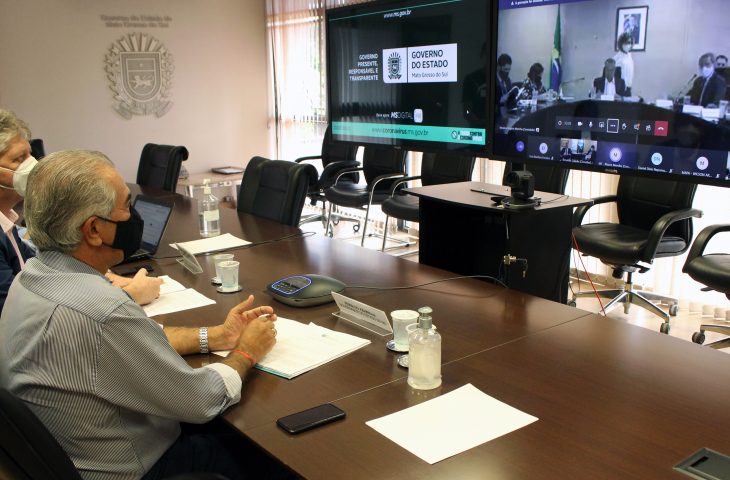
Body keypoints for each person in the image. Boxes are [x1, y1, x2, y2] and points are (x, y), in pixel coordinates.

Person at [0, 150, 278, 480]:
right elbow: (200, 401)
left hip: (73, 457)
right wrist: (245, 352)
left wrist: (215, 335)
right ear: (93, 230)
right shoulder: (102, 311)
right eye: (126, 206)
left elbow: (133, 343)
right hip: (139, 469)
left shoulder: (30, 278)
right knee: (273, 455)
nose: (133, 216)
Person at [0, 109, 161, 312]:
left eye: (29, 154)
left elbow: (41, 264)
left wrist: (104, 277)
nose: (31, 164)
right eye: (19, 158)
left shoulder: (7, 224)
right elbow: (13, 310)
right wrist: (129, 296)